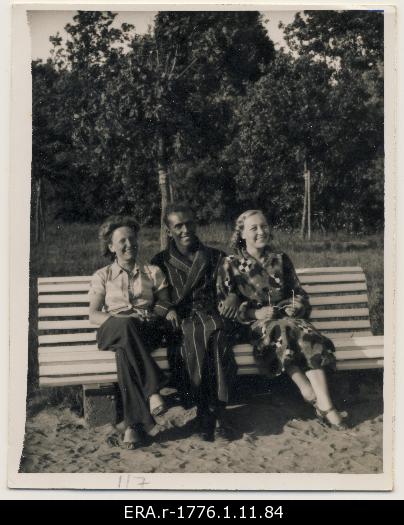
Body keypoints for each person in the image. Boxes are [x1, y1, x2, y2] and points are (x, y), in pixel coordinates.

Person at [217, 209, 348, 430]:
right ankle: (311, 393)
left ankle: (322, 402)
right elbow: (223, 307)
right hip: (258, 327)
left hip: (289, 322)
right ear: (241, 234)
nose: (261, 232)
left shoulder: (280, 259)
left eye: (264, 226)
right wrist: (254, 314)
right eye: (254, 228)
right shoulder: (230, 264)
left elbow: (299, 293)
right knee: (283, 329)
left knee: (302, 331)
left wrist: (297, 306)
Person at [151, 204, 238, 441]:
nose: (185, 229)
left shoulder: (215, 256)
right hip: (181, 321)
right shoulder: (160, 261)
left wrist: (232, 296)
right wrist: (167, 309)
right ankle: (206, 412)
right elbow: (155, 298)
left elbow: (232, 287)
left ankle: (213, 414)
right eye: (178, 225)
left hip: (212, 315)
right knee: (195, 336)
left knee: (218, 338)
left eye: (189, 223)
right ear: (169, 231)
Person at [89, 215, 173, 449]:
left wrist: (152, 314)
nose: (129, 244)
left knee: (124, 353)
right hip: (113, 330)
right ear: (111, 247)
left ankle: (133, 426)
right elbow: (93, 314)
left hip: (146, 331)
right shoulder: (102, 275)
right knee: (126, 326)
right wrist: (121, 321)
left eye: (132, 239)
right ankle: (153, 389)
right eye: (122, 241)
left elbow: (165, 303)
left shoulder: (153, 271)